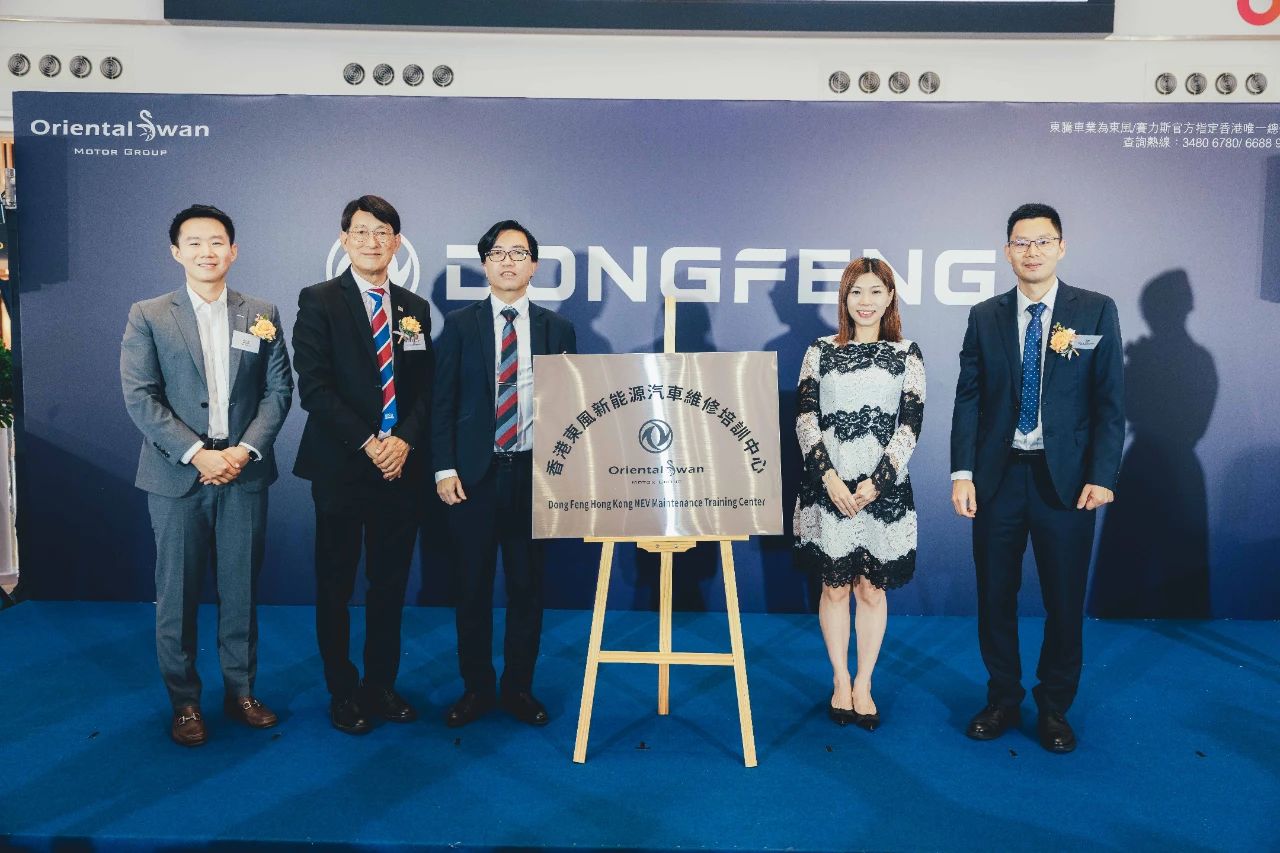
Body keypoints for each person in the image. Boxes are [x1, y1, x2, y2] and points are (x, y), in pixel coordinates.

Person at [950, 202, 1124, 753]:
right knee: (994, 596)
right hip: (997, 479)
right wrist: (962, 472)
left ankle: (1054, 708)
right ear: (1007, 252)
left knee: (1064, 601)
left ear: (1061, 247)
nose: (1032, 251)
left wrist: (1102, 474)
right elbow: (969, 399)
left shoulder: (1095, 310)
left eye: (1043, 241)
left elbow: (1110, 401)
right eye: (1021, 243)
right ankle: (1002, 698)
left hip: (1066, 484)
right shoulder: (985, 315)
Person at [121, 204, 293, 746]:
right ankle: (185, 703)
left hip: (242, 472)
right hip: (177, 477)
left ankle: (241, 692)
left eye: (217, 241)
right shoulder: (149, 314)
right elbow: (141, 396)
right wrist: (197, 453)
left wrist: (243, 450)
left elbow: (278, 391)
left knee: (240, 591)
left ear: (233, 250)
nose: (206, 251)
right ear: (177, 252)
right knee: (176, 596)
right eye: (194, 242)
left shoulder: (261, 312)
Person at [292, 195, 434, 735]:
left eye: (383, 232)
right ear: (344, 240)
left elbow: (425, 387)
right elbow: (314, 387)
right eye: (361, 232)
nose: (372, 241)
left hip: (401, 469)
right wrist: (371, 443)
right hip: (342, 467)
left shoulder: (414, 307)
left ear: (396, 242)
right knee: (335, 585)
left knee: (389, 585)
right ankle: (342, 690)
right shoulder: (319, 300)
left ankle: (381, 684)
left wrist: (404, 442)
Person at [432, 220, 577, 728]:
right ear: (485, 264)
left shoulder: (558, 329)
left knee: (527, 589)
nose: (508, 261)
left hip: (533, 477)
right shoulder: (459, 325)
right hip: (474, 477)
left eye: (518, 253)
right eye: (498, 253)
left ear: (533, 265)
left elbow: (573, 409)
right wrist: (444, 467)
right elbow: (442, 401)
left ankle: (518, 688)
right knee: (471, 589)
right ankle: (476, 689)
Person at [794, 256, 925, 730]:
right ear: (844, 298)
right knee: (833, 588)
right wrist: (829, 478)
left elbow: (910, 423)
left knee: (871, 589)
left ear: (890, 297)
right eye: (856, 292)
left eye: (875, 291)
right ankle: (840, 679)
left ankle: (864, 682)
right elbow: (805, 418)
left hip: (882, 491)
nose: (865, 301)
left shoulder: (907, 353)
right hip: (827, 487)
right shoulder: (819, 350)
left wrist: (879, 482)